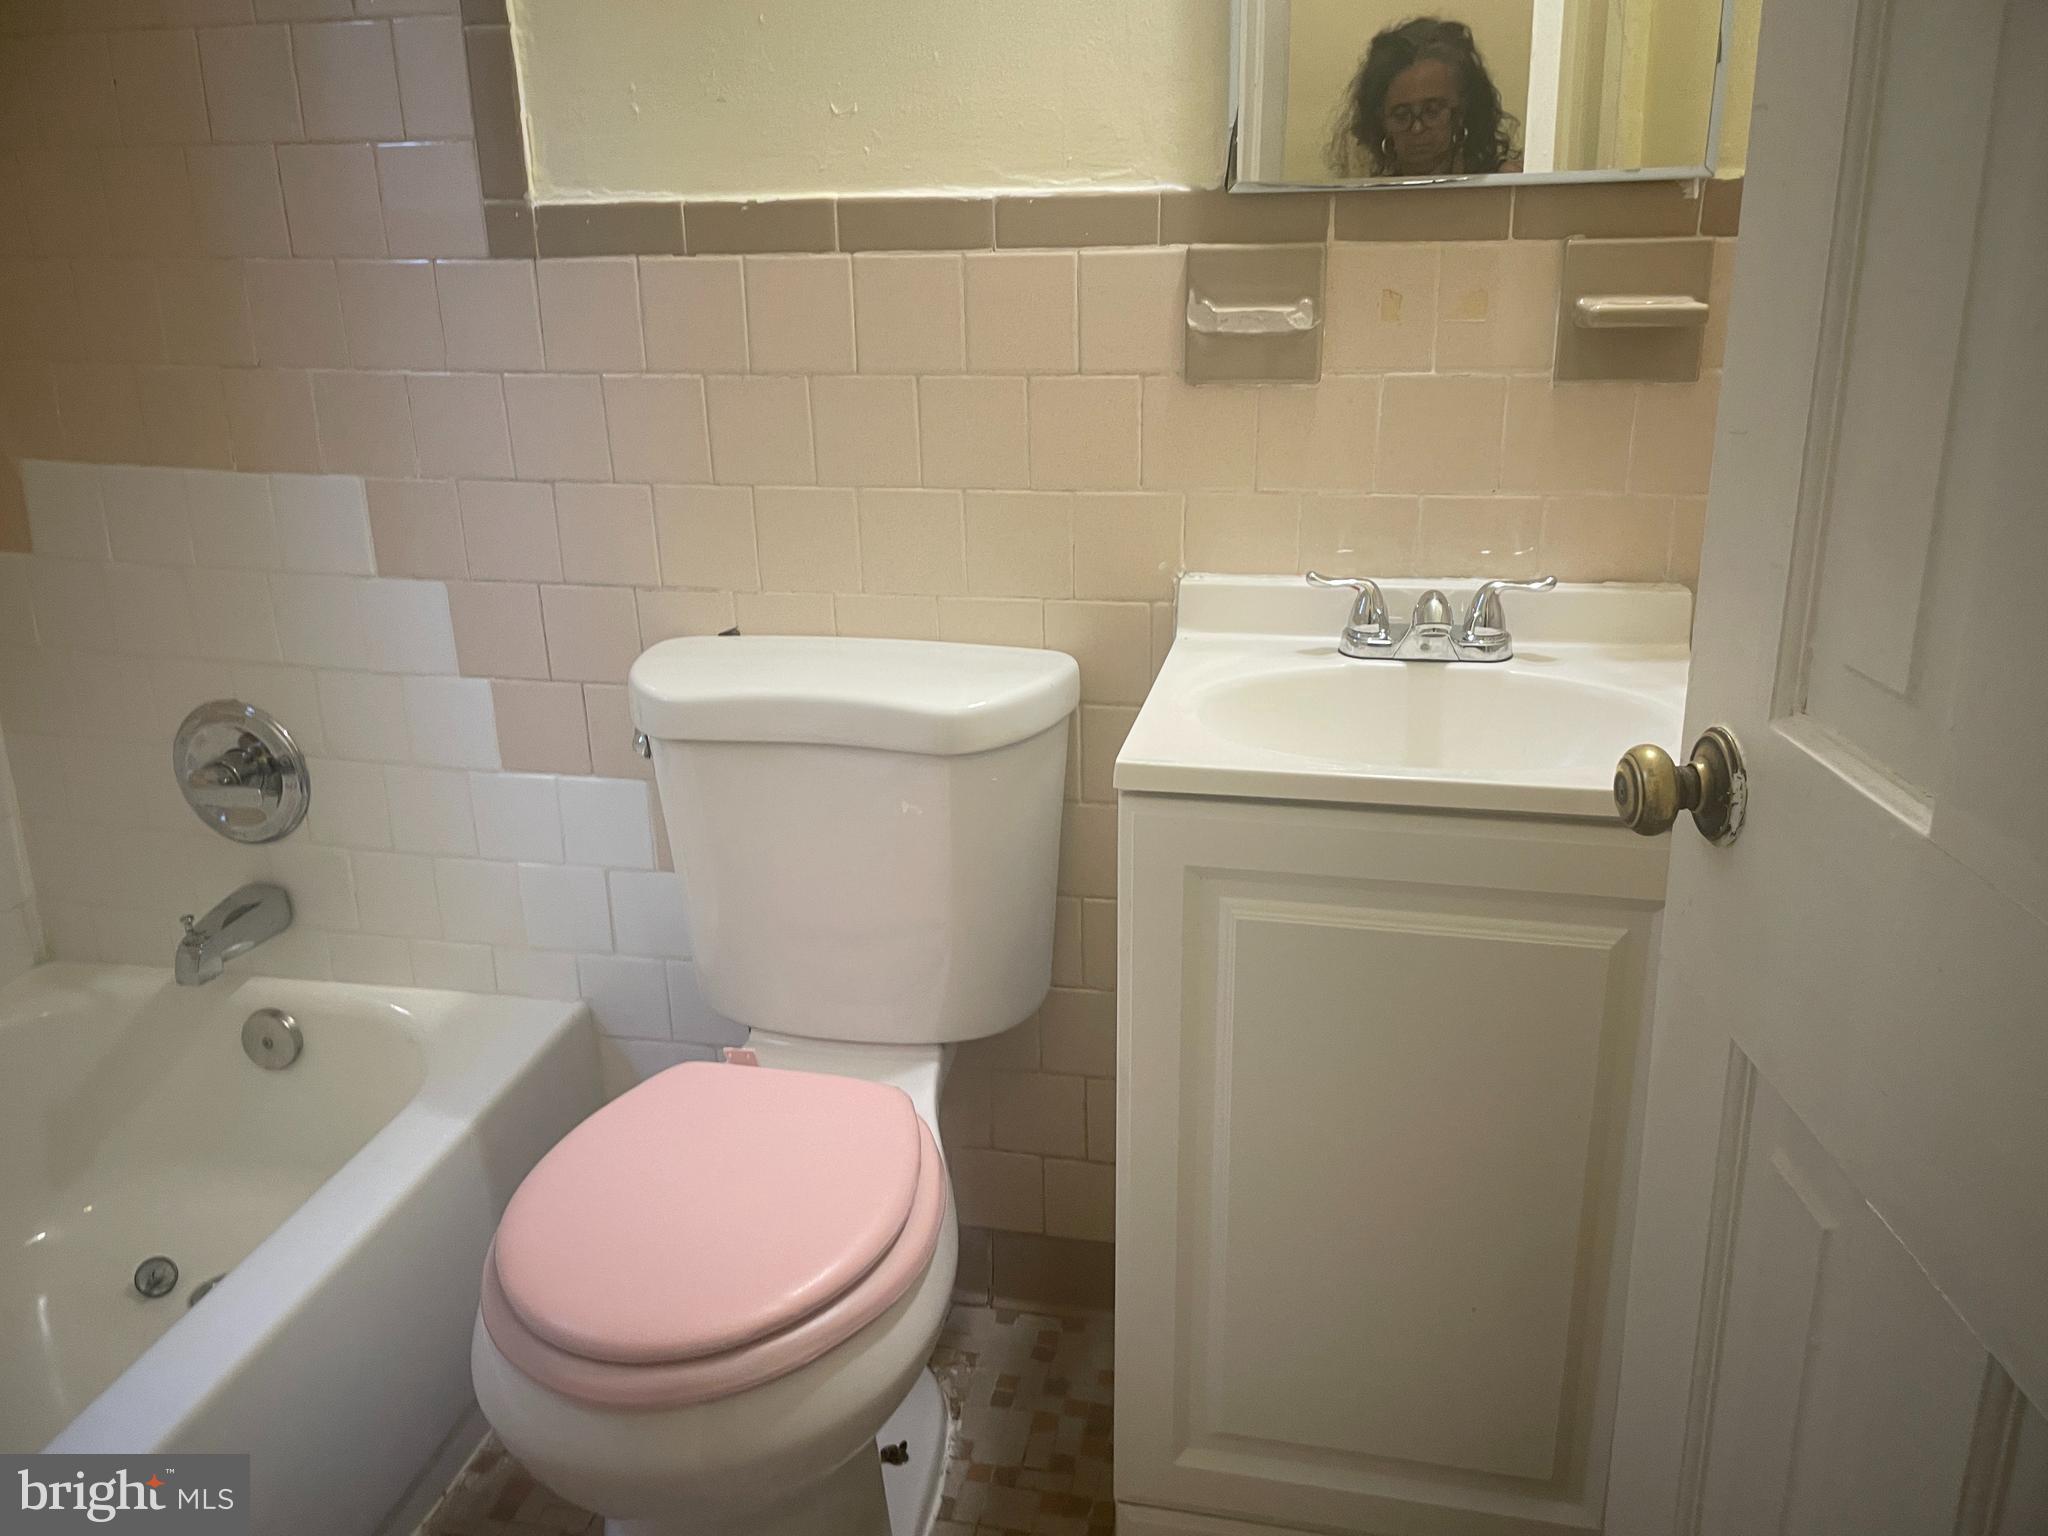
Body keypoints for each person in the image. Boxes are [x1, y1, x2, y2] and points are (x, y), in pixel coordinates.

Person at [1325, 17, 1524, 178]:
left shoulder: (1504, 186)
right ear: (1380, 121)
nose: (1417, 128)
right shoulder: (1369, 204)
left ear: (1462, 110)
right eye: (1401, 115)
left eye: (1433, 111)